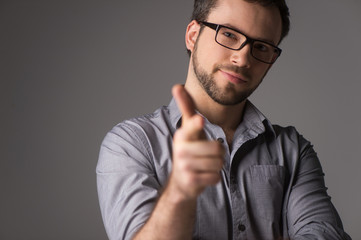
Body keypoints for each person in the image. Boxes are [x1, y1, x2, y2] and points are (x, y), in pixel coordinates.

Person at [96, 0, 351, 239]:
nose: (242, 59)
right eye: (229, 34)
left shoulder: (293, 150)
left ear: (271, 60)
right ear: (193, 35)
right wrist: (180, 193)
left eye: (261, 47)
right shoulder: (130, 145)